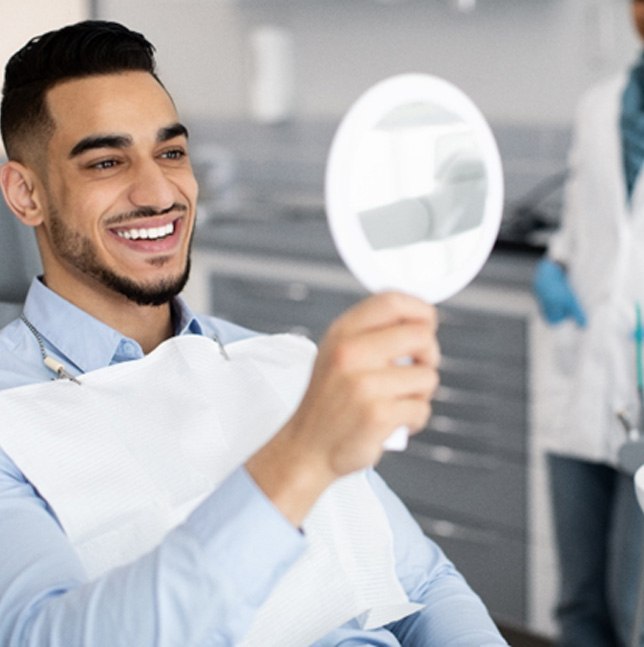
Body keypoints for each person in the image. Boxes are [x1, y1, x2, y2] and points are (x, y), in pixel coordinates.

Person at [0, 20, 507, 646]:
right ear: (25, 194)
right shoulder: (9, 419)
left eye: (171, 152)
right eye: (107, 161)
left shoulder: (279, 363)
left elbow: (424, 586)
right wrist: (301, 456)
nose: (159, 192)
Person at [533, 1, 644, 644]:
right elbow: (581, 235)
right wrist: (554, 268)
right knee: (578, 605)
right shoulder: (600, 105)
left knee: (634, 610)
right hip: (582, 376)